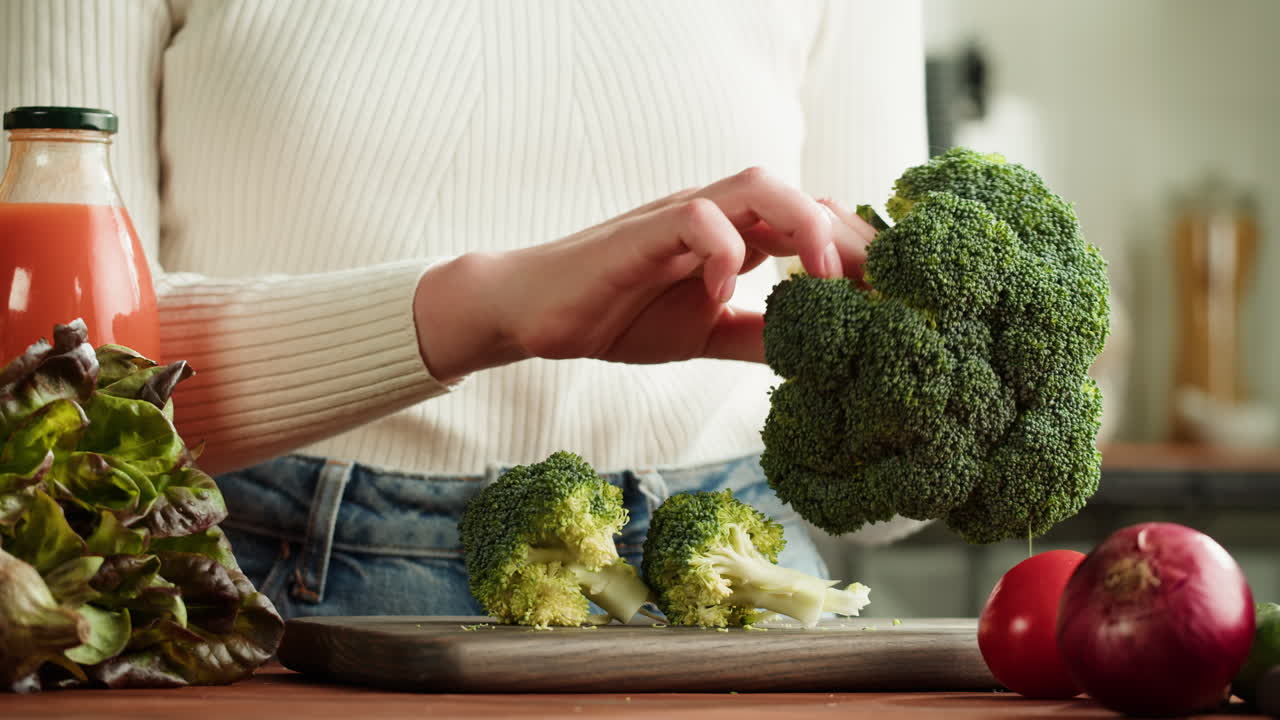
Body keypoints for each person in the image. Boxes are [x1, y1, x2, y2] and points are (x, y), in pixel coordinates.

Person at [1, 0, 929, 619]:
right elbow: (36, 389)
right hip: (273, 582)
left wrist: (963, 394)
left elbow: (882, 504)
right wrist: (480, 310)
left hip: (737, 576)